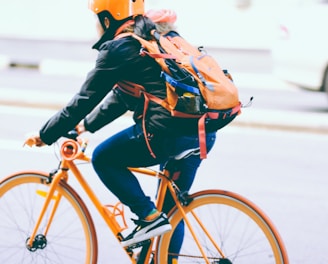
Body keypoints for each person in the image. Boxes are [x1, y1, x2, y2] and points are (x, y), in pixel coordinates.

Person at [25, 2, 220, 262]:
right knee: (171, 212)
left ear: (107, 20)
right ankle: (163, 255)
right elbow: (122, 97)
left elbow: (84, 100)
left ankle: (147, 216)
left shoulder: (118, 48)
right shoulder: (152, 37)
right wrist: (84, 127)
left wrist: (45, 134)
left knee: (104, 158)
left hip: (166, 135)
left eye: (96, 19)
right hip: (202, 132)